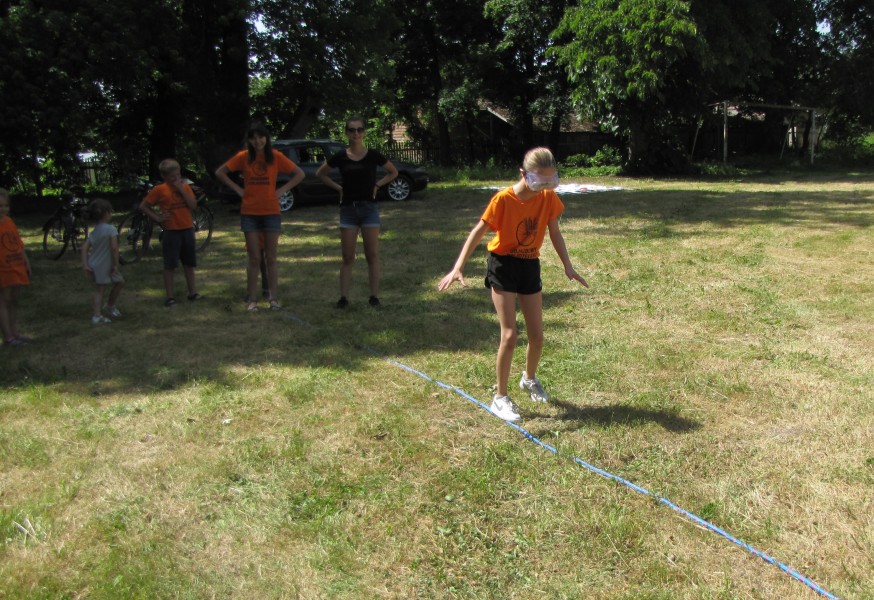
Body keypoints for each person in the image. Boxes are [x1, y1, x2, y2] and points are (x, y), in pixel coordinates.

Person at [438, 147, 589, 422]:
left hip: (529, 265)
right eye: (540, 180)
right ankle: (500, 398)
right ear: (523, 173)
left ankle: (529, 379)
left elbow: (554, 232)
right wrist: (458, 266)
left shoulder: (547, 197)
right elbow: (478, 231)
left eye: (550, 180)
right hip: (503, 265)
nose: (545, 186)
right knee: (509, 335)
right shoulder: (503, 199)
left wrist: (568, 265)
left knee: (537, 337)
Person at [215, 122, 304, 312]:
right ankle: (252, 299)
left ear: (266, 138)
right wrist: (238, 189)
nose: (258, 141)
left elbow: (299, 174)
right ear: (249, 140)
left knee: (271, 258)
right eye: (253, 138)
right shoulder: (243, 157)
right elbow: (220, 172)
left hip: (271, 212)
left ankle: (273, 299)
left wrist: (281, 191)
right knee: (254, 258)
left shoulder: (276, 156)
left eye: (261, 137)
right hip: (250, 213)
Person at [316, 116, 398, 308]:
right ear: (346, 133)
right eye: (352, 130)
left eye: (360, 129)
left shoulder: (373, 155)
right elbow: (321, 173)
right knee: (347, 257)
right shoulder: (341, 156)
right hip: (348, 210)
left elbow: (393, 172)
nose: (356, 133)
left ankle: (374, 297)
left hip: (369, 209)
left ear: (364, 132)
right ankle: (343, 298)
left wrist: (377, 185)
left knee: (372, 255)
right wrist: (338, 188)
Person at [140, 158, 202, 306]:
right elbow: (144, 206)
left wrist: (181, 189)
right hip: (171, 231)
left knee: (189, 263)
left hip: (187, 229)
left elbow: (193, 205)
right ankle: (170, 296)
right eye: (172, 177)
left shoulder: (185, 187)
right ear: (164, 176)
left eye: (178, 175)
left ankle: (192, 292)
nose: (176, 179)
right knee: (170, 265)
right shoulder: (159, 190)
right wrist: (157, 218)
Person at [80, 198, 124, 324]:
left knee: (120, 282)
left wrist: (86, 265)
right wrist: (116, 264)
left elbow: (84, 248)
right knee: (100, 290)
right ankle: (97, 316)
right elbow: (114, 248)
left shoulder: (95, 231)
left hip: (97, 264)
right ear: (106, 213)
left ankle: (110, 306)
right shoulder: (111, 229)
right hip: (103, 265)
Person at [0, 188, 32, 346]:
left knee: (14, 300)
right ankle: (8, 336)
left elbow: (18, 244)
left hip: (16, 266)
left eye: (6, 206)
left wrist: (25, 261)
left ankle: (14, 332)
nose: (3, 209)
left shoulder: (9, 221)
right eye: (0, 206)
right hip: (3, 269)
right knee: (4, 301)